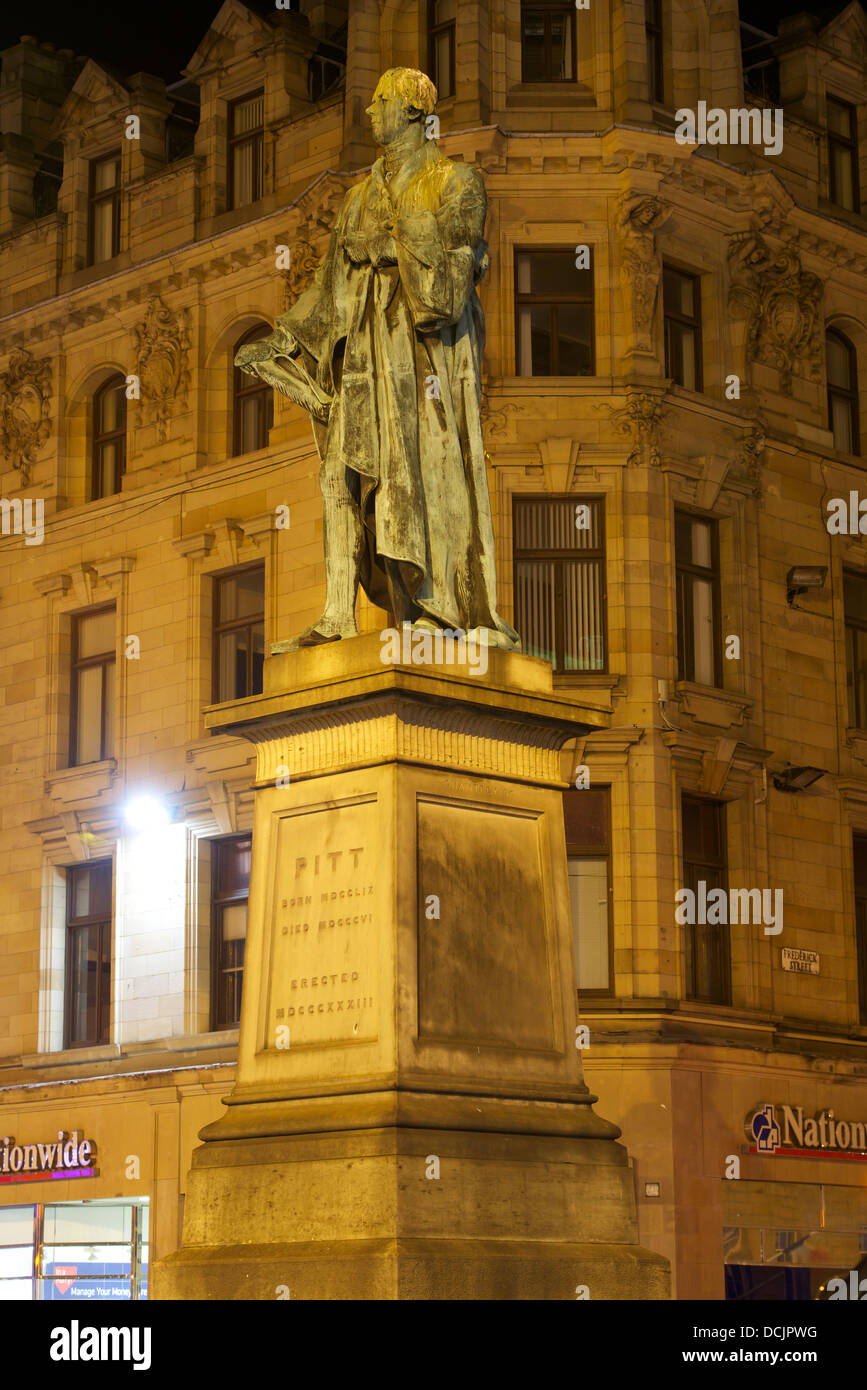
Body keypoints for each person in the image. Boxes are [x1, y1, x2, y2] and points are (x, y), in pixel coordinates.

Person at [235, 66, 520, 652]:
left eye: (381, 102)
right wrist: (282, 338)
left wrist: (391, 242)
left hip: (421, 365)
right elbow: (327, 286)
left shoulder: (456, 182)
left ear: (414, 111)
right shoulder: (357, 197)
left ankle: (438, 605)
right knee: (337, 475)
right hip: (363, 357)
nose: (370, 114)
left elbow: (451, 282)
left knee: (418, 482)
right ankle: (338, 613)